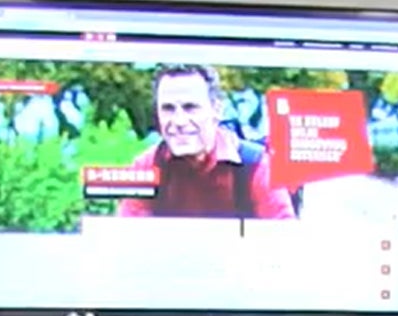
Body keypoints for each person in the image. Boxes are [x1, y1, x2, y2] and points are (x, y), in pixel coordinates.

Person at [116, 65, 296, 220]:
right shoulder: (147, 166)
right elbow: (125, 238)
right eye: (168, 109)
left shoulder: (256, 166)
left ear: (217, 110)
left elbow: (284, 241)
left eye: (190, 108)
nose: (179, 121)